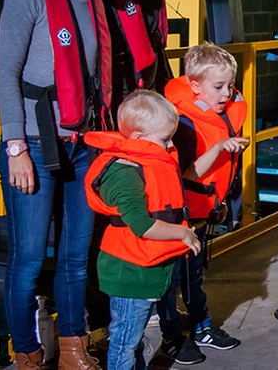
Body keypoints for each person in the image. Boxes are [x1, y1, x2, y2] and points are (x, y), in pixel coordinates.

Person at [0, 0, 130, 369]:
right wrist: (15, 146)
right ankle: (28, 356)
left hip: (81, 145)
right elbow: (5, 75)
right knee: (29, 261)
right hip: (32, 143)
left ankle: (74, 350)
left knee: (75, 258)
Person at [88, 0, 176, 338]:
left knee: (154, 202)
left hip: (143, 102)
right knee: (118, 214)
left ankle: (151, 298)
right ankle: (107, 313)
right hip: (110, 116)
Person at [84, 90, 201, 370]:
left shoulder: (144, 162)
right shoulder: (124, 174)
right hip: (130, 272)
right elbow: (142, 225)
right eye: (164, 139)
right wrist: (183, 233)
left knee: (132, 339)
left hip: (143, 268)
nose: (170, 144)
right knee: (125, 342)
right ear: (138, 138)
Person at [158, 42, 247, 362]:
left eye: (230, 86)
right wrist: (222, 146)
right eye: (218, 87)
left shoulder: (223, 112)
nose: (227, 94)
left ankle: (200, 326)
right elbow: (188, 171)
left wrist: (220, 203)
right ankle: (171, 335)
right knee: (171, 277)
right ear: (194, 86)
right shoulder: (182, 122)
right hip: (175, 213)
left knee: (192, 273)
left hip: (202, 210)